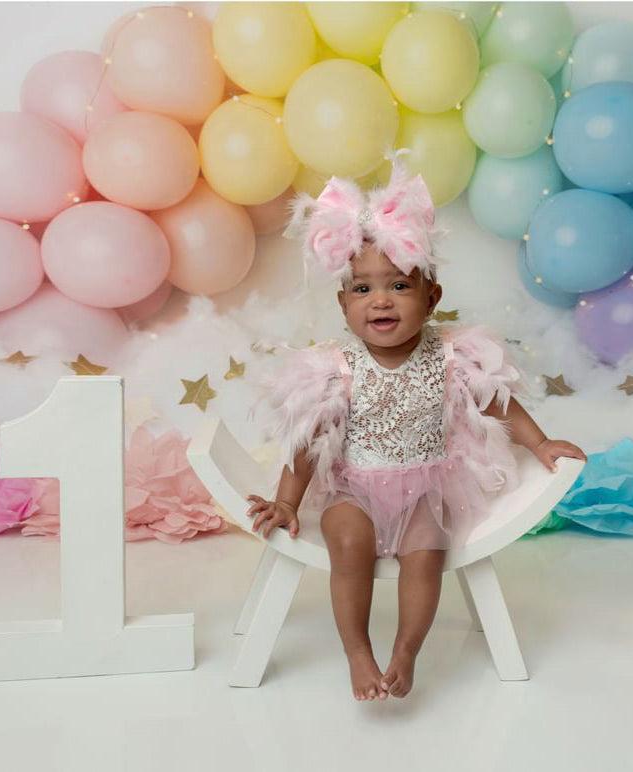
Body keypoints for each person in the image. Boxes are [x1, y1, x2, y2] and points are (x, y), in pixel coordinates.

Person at [245, 151, 587, 702]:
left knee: (426, 554)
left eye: (399, 286)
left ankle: (406, 650)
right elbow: (309, 442)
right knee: (349, 543)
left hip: (426, 485)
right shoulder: (336, 366)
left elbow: (497, 401)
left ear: (432, 298)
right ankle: (358, 652)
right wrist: (287, 502)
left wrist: (540, 442)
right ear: (343, 304)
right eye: (363, 289)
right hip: (352, 488)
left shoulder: (451, 356)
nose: (380, 299)